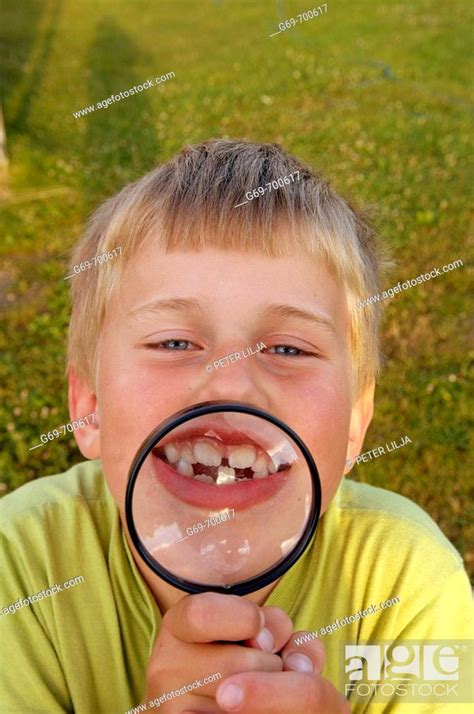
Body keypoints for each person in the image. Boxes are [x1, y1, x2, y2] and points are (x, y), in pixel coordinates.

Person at [0, 139, 471, 713]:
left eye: (288, 348)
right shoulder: (20, 567)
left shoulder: (407, 587)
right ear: (90, 403)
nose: (230, 385)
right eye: (174, 341)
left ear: (354, 423)